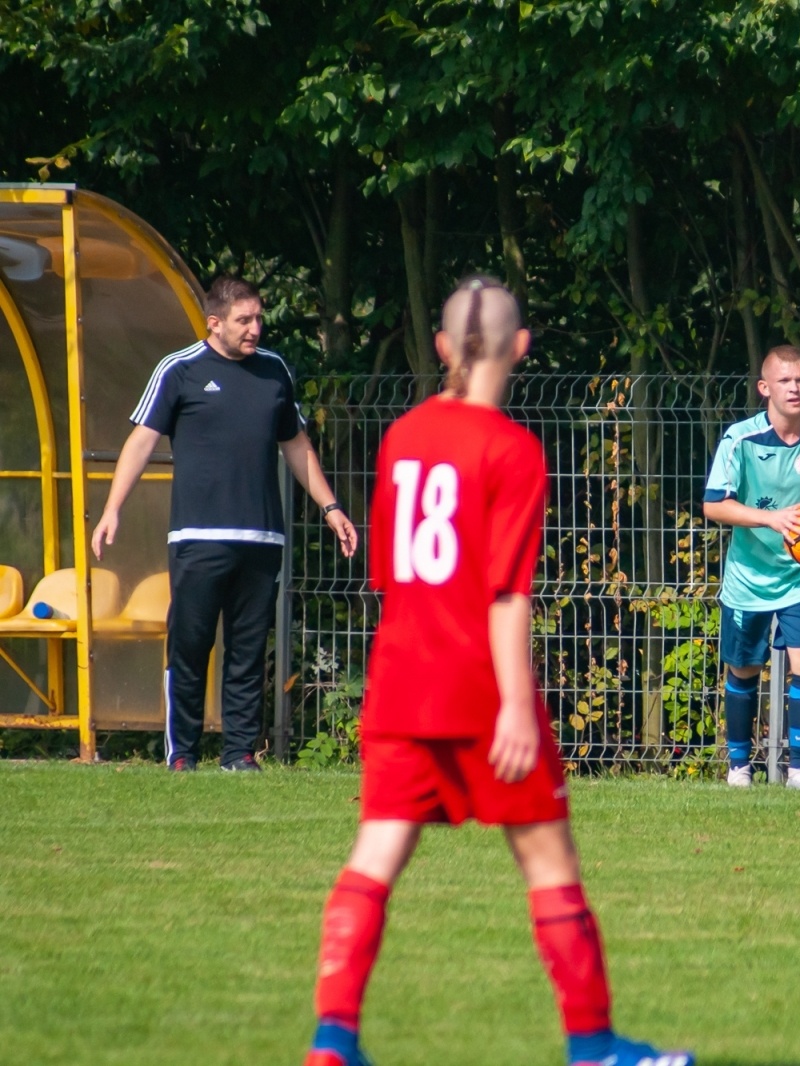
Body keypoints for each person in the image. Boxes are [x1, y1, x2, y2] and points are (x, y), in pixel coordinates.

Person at [303, 276, 691, 1066]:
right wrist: (518, 704)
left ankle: (332, 1041)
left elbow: (391, 576)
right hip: (480, 686)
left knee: (375, 854)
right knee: (548, 863)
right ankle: (593, 1048)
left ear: (442, 349)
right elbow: (507, 592)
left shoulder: (401, 438)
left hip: (399, 682)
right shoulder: (514, 451)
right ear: (521, 347)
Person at [92, 276, 357, 771]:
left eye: (258, 318)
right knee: (191, 646)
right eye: (244, 320)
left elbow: (296, 446)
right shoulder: (180, 370)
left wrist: (331, 507)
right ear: (214, 323)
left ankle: (239, 755)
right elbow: (142, 441)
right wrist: (112, 508)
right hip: (198, 538)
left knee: (248, 652)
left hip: (261, 538)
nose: (255, 328)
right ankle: (182, 754)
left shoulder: (275, 371)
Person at [702, 345, 800, 789]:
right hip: (749, 577)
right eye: (785, 381)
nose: (794, 388)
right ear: (764, 388)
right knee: (744, 667)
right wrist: (774, 518)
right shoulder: (739, 439)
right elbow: (714, 506)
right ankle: (740, 766)